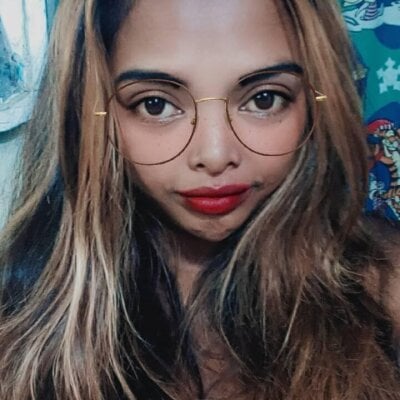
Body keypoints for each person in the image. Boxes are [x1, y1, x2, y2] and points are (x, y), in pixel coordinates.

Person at [0, 0, 399, 399]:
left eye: (264, 99)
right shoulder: (18, 328)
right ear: (92, 114)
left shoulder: (384, 289)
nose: (215, 154)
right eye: (155, 104)